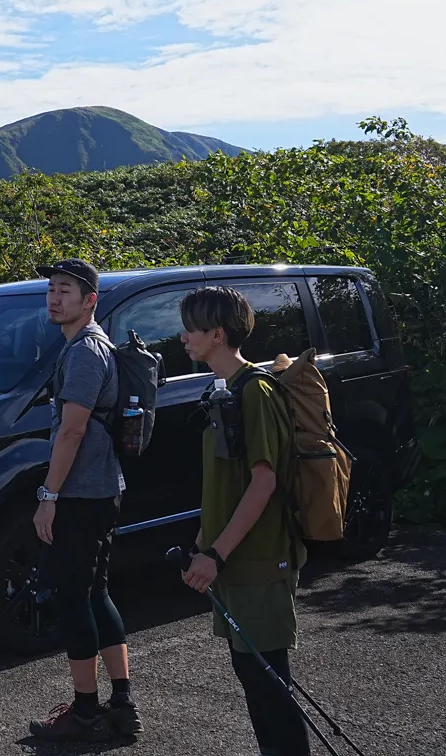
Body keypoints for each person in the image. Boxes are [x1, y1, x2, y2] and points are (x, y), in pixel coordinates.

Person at [179, 285, 309, 756]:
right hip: (236, 562)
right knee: (256, 681)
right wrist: (201, 544)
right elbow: (227, 485)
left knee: (268, 684)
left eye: (191, 328)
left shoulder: (256, 392)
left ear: (217, 333)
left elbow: (263, 483)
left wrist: (216, 553)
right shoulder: (227, 391)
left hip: (259, 561)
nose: (183, 337)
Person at [27, 258, 140, 741]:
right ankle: (121, 703)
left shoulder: (85, 353)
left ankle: (86, 712)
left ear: (90, 299)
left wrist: (48, 495)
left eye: (66, 291)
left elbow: (71, 432)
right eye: (51, 289)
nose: (54, 298)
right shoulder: (88, 348)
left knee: (74, 599)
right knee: (96, 593)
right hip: (101, 490)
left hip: (80, 495)